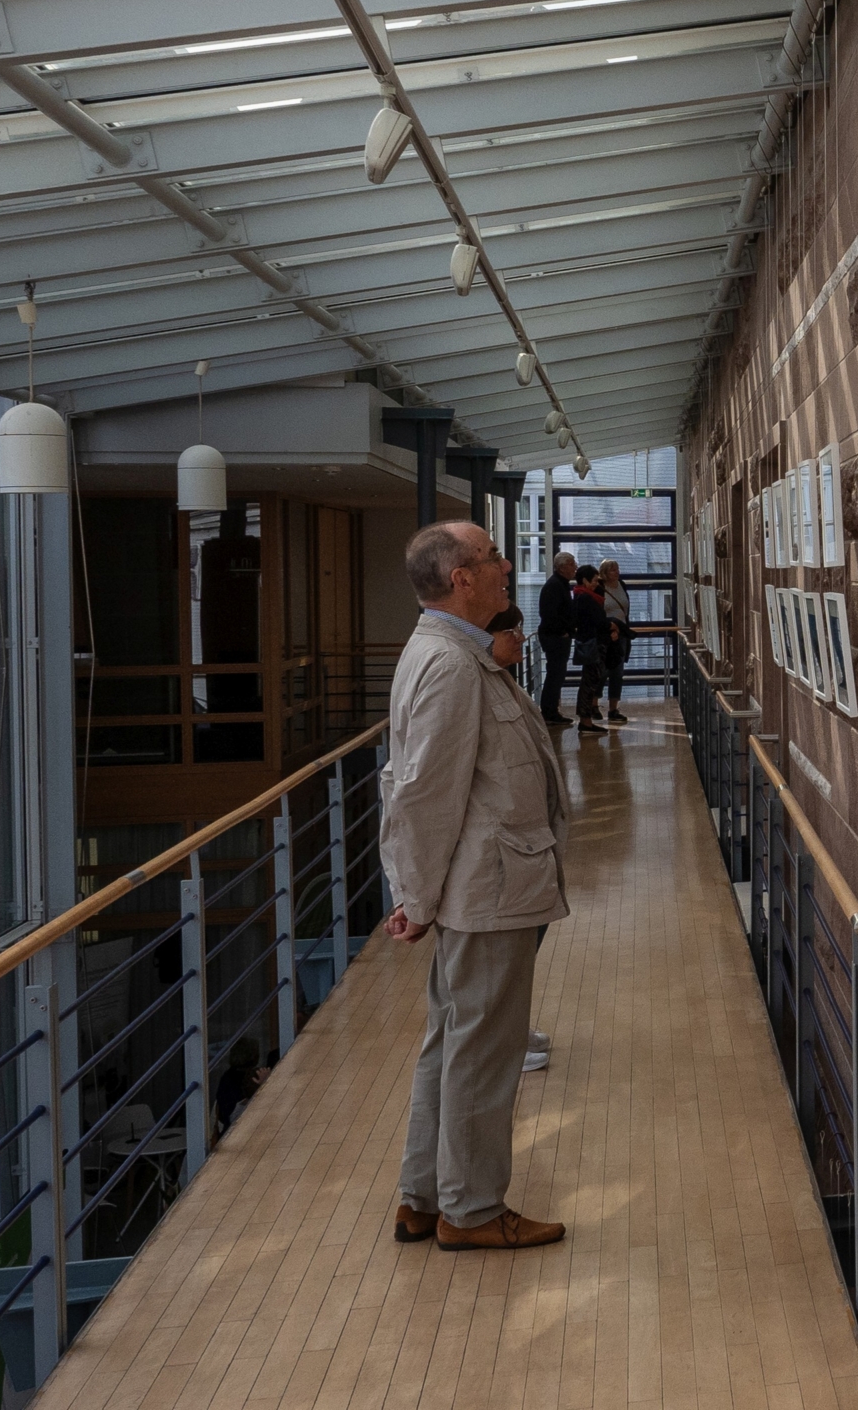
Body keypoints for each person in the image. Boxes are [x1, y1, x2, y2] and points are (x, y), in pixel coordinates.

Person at [381, 519, 569, 1252]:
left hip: (485, 885)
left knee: (454, 1042)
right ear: (461, 578)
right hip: (486, 892)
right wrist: (417, 898)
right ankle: (473, 1210)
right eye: (491, 558)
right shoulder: (452, 666)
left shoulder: (453, 653)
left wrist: (416, 893)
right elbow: (423, 794)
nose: (504, 567)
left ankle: (426, 1198)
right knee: (484, 1054)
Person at [486, 606, 554, 1076]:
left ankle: (512, 1028)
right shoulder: (463, 679)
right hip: (500, 847)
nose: (521, 638)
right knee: (498, 958)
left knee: (519, 948)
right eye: (509, 630)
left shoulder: (504, 681)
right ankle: (502, 1043)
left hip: (526, 842)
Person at [569, 564, 612, 736]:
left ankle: (585, 719)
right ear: (585, 580)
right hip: (593, 644)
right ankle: (585, 721)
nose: (596, 584)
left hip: (588, 642)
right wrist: (612, 627)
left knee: (588, 681)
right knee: (590, 682)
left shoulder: (580, 595)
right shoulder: (587, 598)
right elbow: (600, 620)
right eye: (594, 580)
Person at [536, 551, 577, 725]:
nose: (575, 567)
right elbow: (549, 614)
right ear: (561, 567)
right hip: (555, 637)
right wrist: (562, 632)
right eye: (572, 564)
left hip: (556, 636)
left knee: (557, 675)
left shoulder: (560, 584)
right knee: (555, 675)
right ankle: (549, 711)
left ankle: (551, 710)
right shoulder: (555, 586)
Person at [597, 559, 632, 725]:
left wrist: (621, 629)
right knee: (602, 671)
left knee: (618, 672)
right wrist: (609, 629)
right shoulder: (600, 587)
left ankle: (613, 708)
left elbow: (625, 610)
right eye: (613, 570)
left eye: (617, 569)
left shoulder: (621, 585)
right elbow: (598, 612)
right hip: (606, 635)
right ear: (604, 572)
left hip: (621, 634)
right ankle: (594, 704)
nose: (617, 572)